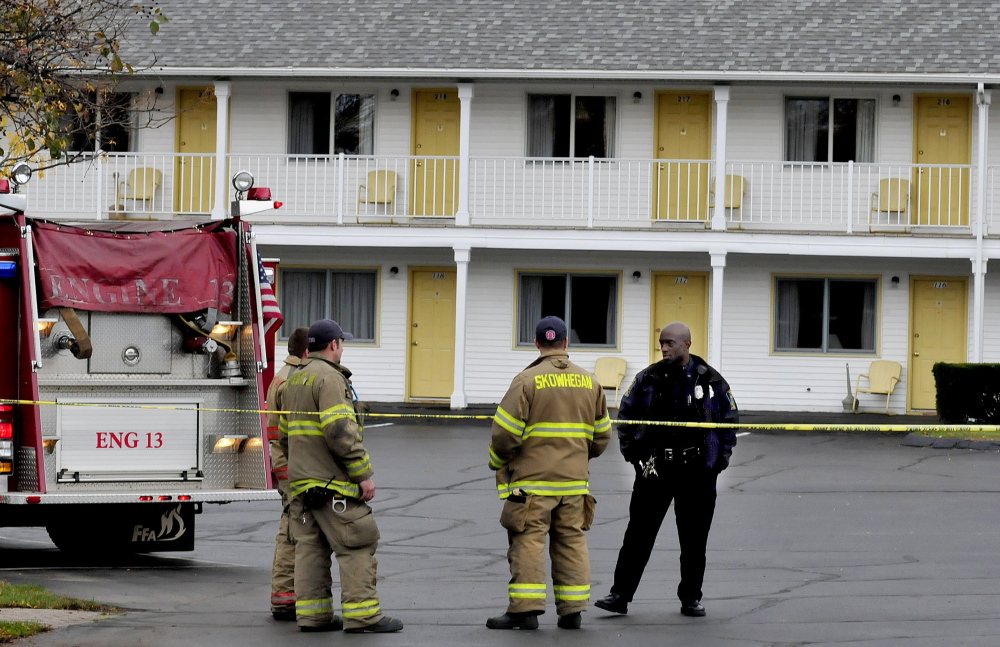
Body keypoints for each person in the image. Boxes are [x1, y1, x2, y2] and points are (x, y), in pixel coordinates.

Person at [595, 321, 738, 618]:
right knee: (638, 536)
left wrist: (717, 462)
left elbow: (729, 422)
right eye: (662, 343)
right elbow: (627, 416)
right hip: (655, 470)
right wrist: (634, 457)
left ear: (687, 344)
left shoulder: (710, 381)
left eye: (670, 343)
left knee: (694, 540)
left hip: (697, 472)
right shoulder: (649, 378)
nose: (664, 348)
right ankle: (619, 595)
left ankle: (690, 598)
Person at [277, 319, 403, 634]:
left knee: (310, 549)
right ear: (333, 345)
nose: (342, 348)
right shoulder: (330, 379)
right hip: (332, 484)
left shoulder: (295, 380)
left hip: (303, 485)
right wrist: (362, 475)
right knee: (357, 543)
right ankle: (364, 617)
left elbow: (282, 436)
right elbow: (339, 431)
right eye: (342, 343)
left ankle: (313, 616)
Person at [486, 316, 612, 631]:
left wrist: (500, 460)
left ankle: (525, 612)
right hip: (574, 483)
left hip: (532, 484)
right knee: (571, 541)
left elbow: (504, 435)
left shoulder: (526, 381)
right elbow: (602, 436)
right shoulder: (590, 381)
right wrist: (579, 457)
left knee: (528, 541)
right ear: (566, 343)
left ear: (538, 343)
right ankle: (572, 612)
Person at [266, 326, 310, 621]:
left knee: (289, 530)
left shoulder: (281, 375)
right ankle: (285, 598)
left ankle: (285, 596)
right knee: (294, 534)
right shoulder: (295, 380)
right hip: (291, 468)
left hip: (284, 466)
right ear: (308, 351)